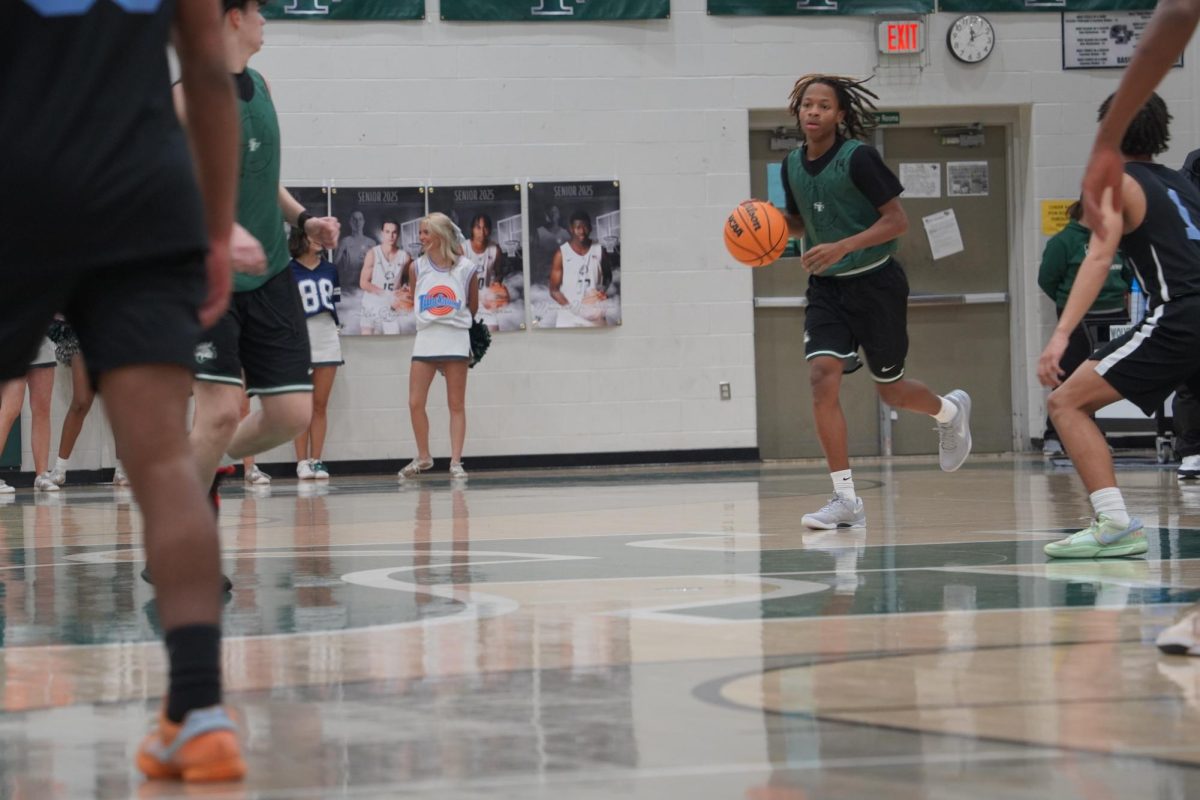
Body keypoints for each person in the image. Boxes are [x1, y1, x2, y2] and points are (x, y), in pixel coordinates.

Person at [4, 0, 252, 782]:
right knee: (164, 466)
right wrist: (215, 229)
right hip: (144, 198)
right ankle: (201, 713)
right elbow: (210, 76)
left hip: (19, 185)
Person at [778, 74, 972, 529]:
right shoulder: (791, 163)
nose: (813, 112)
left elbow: (897, 222)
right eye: (807, 104)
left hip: (876, 283)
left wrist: (843, 245)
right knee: (821, 377)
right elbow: (800, 222)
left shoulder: (858, 158)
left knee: (892, 392)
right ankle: (845, 499)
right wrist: (762, 225)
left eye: (824, 106)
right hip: (827, 287)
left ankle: (950, 411)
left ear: (840, 115)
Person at [183, 0, 340, 529]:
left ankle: (198, 465)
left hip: (271, 274)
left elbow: (261, 176)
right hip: (209, 278)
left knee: (291, 414)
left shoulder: (263, 87)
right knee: (222, 408)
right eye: (258, 10)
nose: (265, 19)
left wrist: (303, 221)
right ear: (233, 16)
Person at [1037, 92, 1200, 563]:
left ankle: (1114, 525)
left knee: (1066, 402)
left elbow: (1098, 255)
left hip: (1180, 314)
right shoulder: (1182, 182)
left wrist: (1062, 333)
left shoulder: (1116, 181)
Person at [1037, 200, 1131, 456]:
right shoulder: (1063, 242)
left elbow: (1128, 274)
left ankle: (1095, 434)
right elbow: (1047, 279)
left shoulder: (1115, 238)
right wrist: (1070, 303)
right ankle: (1054, 436)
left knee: (1103, 378)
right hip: (1080, 318)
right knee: (1068, 375)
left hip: (1114, 314)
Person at [398, 213, 479, 481]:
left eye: (425, 232)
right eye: (420, 232)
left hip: (455, 336)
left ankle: (456, 461)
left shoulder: (466, 268)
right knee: (414, 402)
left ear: (441, 235)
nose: (420, 237)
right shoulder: (416, 268)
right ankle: (424, 456)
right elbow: (414, 300)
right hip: (427, 336)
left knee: (456, 404)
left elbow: (473, 306)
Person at [290, 225, 343, 480]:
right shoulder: (287, 271)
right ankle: (301, 462)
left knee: (320, 405)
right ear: (301, 238)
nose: (320, 241)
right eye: (314, 236)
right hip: (299, 339)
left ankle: (317, 459)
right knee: (301, 406)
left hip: (326, 337)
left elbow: (335, 304)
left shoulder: (331, 270)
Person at [0, 342, 56, 493]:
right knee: (10, 409)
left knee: (42, 409)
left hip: (42, 341)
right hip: (16, 339)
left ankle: (42, 475)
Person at [548, 211, 611, 328]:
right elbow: (553, 290)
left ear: (591, 228)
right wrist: (574, 309)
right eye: (578, 227)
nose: (582, 231)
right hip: (568, 316)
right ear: (571, 229)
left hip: (594, 313)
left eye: (585, 227)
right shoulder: (561, 253)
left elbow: (608, 276)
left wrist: (601, 291)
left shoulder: (600, 250)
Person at [358, 219, 412, 335]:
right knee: (367, 338)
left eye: (394, 232)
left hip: (391, 304)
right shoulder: (372, 253)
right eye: (387, 232)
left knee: (393, 338)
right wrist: (385, 293)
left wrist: (405, 291)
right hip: (371, 302)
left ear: (398, 234)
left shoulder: (405, 256)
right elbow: (363, 283)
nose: (391, 236)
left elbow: (409, 280)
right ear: (382, 233)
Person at [466, 213, 510, 332]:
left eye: (485, 227)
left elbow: (499, 273)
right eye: (478, 228)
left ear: (490, 230)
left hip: (487, 301)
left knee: (494, 334)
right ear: (472, 229)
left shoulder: (495, 249)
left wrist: (496, 285)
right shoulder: (462, 249)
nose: (482, 232)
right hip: (466, 303)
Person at [333, 209, 376, 292]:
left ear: (363, 221)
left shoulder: (372, 243)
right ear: (350, 222)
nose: (357, 222)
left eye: (360, 219)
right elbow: (334, 265)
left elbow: (377, 266)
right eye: (354, 219)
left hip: (367, 287)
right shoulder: (344, 242)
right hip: (348, 287)